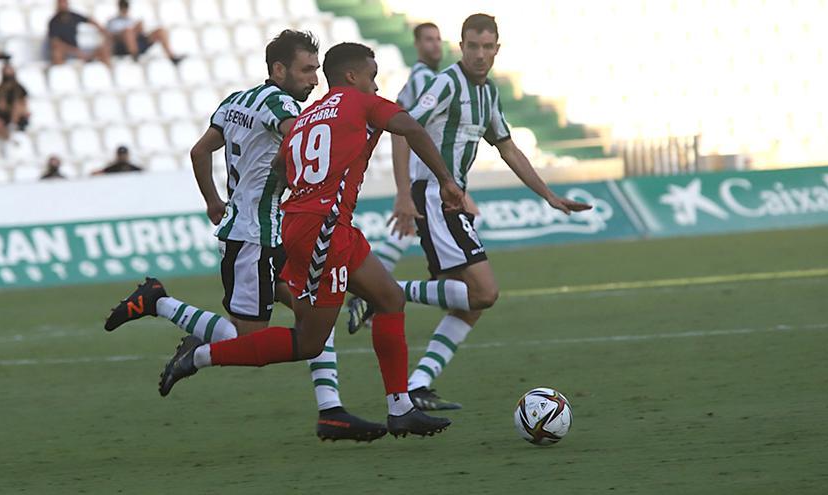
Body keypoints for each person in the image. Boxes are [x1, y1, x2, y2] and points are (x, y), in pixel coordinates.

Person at [157, 42, 466, 438]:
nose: (375, 85)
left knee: (389, 298)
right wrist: (446, 181)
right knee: (309, 341)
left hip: (319, 223)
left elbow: (281, 164)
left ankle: (400, 407)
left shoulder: (308, 115)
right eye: (372, 76)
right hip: (324, 229)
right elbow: (409, 127)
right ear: (353, 77)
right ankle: (200, 356)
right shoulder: (359, 102)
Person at [102, 31, 387, 442]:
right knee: (249, 341)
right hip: (257, 237)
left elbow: (200, 152)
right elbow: (299, 141)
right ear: (278, 69)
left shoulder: (235, 101)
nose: (314, 80)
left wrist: (213, 201)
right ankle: (160, 304)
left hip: (267, 233)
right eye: (307, 70)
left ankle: (332, 412)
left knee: (314, 323)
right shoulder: (283, 106)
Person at [386, 14, 592, 410]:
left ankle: (417, 385)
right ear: (460, 46)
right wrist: (402, 194)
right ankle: (382, 290)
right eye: (473, 46)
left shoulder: (488, 93)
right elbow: (402, 126)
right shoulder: (446, 83)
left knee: (469, 306)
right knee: (484, 292)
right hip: (434, 195)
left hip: (451, 197)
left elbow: (508, 147)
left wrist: (548, 195)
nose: (480, 55)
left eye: (487, 47)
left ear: (497, 49)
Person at [345, 22, 482, 335]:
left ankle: (370, 293)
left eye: (438, 39)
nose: (435, 45)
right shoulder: (425, 80)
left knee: (405, 235)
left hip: (427, 179)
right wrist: (409, 188)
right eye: (428, 40)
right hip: (428, 180)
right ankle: (376, 293)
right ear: (417, 45)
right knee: (466, 280)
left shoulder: (428, 78)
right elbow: (408, 131)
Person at [106, 0, 183, 64]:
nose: (124, 10)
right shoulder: (112, 21)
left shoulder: (131, 19)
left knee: (160, 31)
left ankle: (171, 56)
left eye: (126, 7)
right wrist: (132, 31)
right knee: (128, 32)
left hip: (138, 42)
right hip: (123, 46)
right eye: (123, 7)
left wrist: (138, 29)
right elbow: (112, 37)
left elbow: (142, 33)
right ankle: (135, 56)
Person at [48, 0, 111, 66]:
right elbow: (55, 43)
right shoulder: (53, 22)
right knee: (57, 53)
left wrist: (103, 30)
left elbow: (89, 20)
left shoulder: (73, 16)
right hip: (67, 52)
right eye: (61, 3)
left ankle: (107, 72)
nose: (63, 5)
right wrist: (75, 51)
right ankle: (62, 74)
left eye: (64, 2)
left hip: (79, 50)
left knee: (104, 50)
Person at [0, 61, 30, 131]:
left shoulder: (19, 88)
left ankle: (13, 125)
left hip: (18, 115)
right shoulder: (0, 89)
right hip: (5, 114)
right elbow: (0, 105)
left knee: (17, 106)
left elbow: (24, 102)